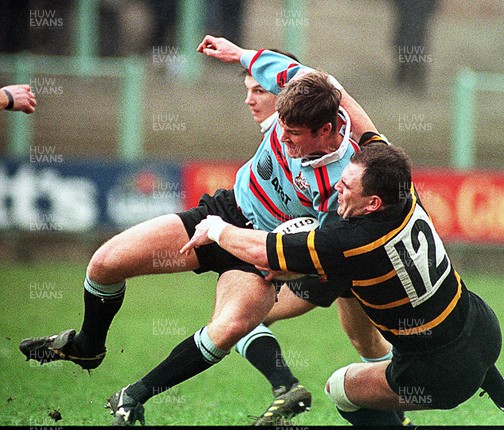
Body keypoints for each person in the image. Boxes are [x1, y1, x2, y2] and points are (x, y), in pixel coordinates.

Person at [18, 38, 399, 426]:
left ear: (327, 129)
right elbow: (280, 68)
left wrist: (285, 265)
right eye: (280, 130)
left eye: (293, 135)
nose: (281, 140)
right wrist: (238, 54)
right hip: (225, 209)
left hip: (259, 250)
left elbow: (324, 248)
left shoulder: (345, 183)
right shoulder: (305, 88)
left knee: (232, 326)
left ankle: (133, 396)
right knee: (104, 263)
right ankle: (87, 345)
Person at [181, 141, 504, 426]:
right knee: (428, 322)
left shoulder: (350, 241)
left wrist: (217, 228)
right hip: (484, 328)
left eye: (346, 186)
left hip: (441, 374)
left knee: (340, 390)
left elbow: (262, 250)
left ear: (372, 203)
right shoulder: (404, 190)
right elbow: (365, 128)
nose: (337, 188)